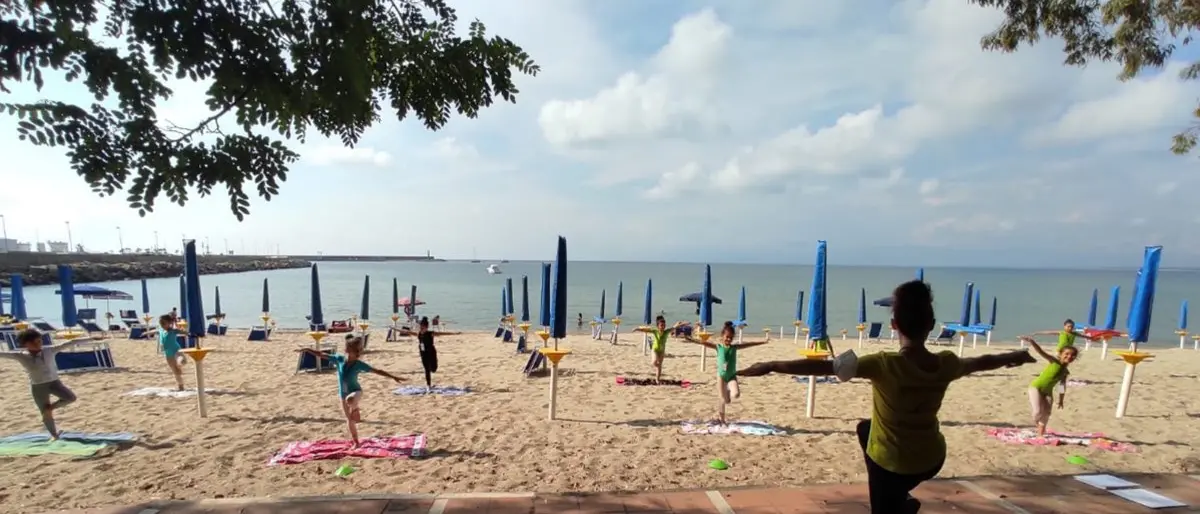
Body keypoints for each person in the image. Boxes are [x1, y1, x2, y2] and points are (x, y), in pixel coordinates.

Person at [736, 280, 1036, 514]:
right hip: (932, 458)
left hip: (893, 465)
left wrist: (773, 365)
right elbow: (982, 362)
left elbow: (823, 366)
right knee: (864, 428)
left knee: (883, 495)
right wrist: (1016, 355)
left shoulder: (883, 364)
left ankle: (898, 504)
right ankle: (901, 501)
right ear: (931, 325)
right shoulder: (947, 363)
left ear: (893, 326)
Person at [298, 336, 404, 446]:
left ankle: (355, 408)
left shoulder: (359, 364)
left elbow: (377, 371)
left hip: (356, 392)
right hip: (342, 395)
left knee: (350, 399)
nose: (346, 350)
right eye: (347, 348)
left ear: (354, 351)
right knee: (349, 420)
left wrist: (393, 377)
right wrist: (307, 350)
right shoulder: (339, 359)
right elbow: (321, 354)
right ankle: (356, 442)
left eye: (349, 348)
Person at [0, 329, 92, 439]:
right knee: (44, 413)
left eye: (39, 341)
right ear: (25, 344)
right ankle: (54, 435)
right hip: (38, 387)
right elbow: (2, 354)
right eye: (33, 343)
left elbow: (70, 342)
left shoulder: (50, 350)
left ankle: (50, 408)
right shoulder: (20, 356)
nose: (37, 344)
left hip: (54, 383)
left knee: (70, 398)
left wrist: (91, 338)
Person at [682, 321, 769, 424]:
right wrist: (690, 339)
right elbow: (702, 343)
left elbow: (748, 344)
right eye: (727, 337)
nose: (728, 339)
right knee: (723, 400)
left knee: (736, 395)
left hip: (731, 376)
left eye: (731, 338)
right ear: (722, 336)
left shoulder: (734, 348)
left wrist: (763, 342)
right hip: (721, 377)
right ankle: (722, 420)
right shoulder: (718, 347)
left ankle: (728, 390)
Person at [1020, 335, 1078, 437]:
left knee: (1047, 414)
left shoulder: (1065, 371)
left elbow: (1061, 386)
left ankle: (1040, 435)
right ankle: (1035, 425)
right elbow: (1041, 352)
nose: (1069, 356)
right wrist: (1032, 341)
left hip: (1047, 392)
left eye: (1072, 355)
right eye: (1067, 354)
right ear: (1060, 354)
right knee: (1037, 412)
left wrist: (1061, 400)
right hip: (1035, 388)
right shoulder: (1054, 361)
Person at [415, 316, 461, 392]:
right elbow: (408, 332)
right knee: (426, 369)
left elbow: (442, 333)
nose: (421, 328)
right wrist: (395, 329)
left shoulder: (431, 333)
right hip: (423, 353)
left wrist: (454, 333)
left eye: (423, 327)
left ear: (426, 327)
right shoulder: (418, 334)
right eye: (420, 327)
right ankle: (428, 385)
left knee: (434, 369)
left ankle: (431, 369)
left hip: (431, 352)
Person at [632, 315, 679, 383]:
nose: (663, 327)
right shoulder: (655, 331)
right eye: (661, 325)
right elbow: (646, 330)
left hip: (662, 351)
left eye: (664, 325)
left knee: (659, 365)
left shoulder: (666, 332)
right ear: (658, 326)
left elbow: (674, 327)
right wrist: (637, 329)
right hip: (655, 350)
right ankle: (658, 368)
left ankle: (657, 379)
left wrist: (679, 324)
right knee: (654, 362)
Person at [150, 314, 187, 390]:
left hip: (176, 350)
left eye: (164, 323)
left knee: (181, 359)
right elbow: (155, 330)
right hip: (168, 354)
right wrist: (146, 332)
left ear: (170, 323)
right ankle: (181, 386)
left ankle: (180, 363)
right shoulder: (161, 330)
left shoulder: (173, 331)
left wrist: (187, 332)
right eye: (161, 324)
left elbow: (182, 332)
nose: (162, 325)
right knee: (175, 371)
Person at [1031, 319, 1096, 351]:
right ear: (1064, 326)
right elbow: (1048, 332)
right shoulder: (1061, 333)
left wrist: (1093, 338)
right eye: (1068, 326)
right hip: (1060, 350)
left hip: (1068, 350)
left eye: (1071, 327)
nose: (1070, 328)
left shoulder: (1074, 333)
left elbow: (1083, 336)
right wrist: (1037, 333)